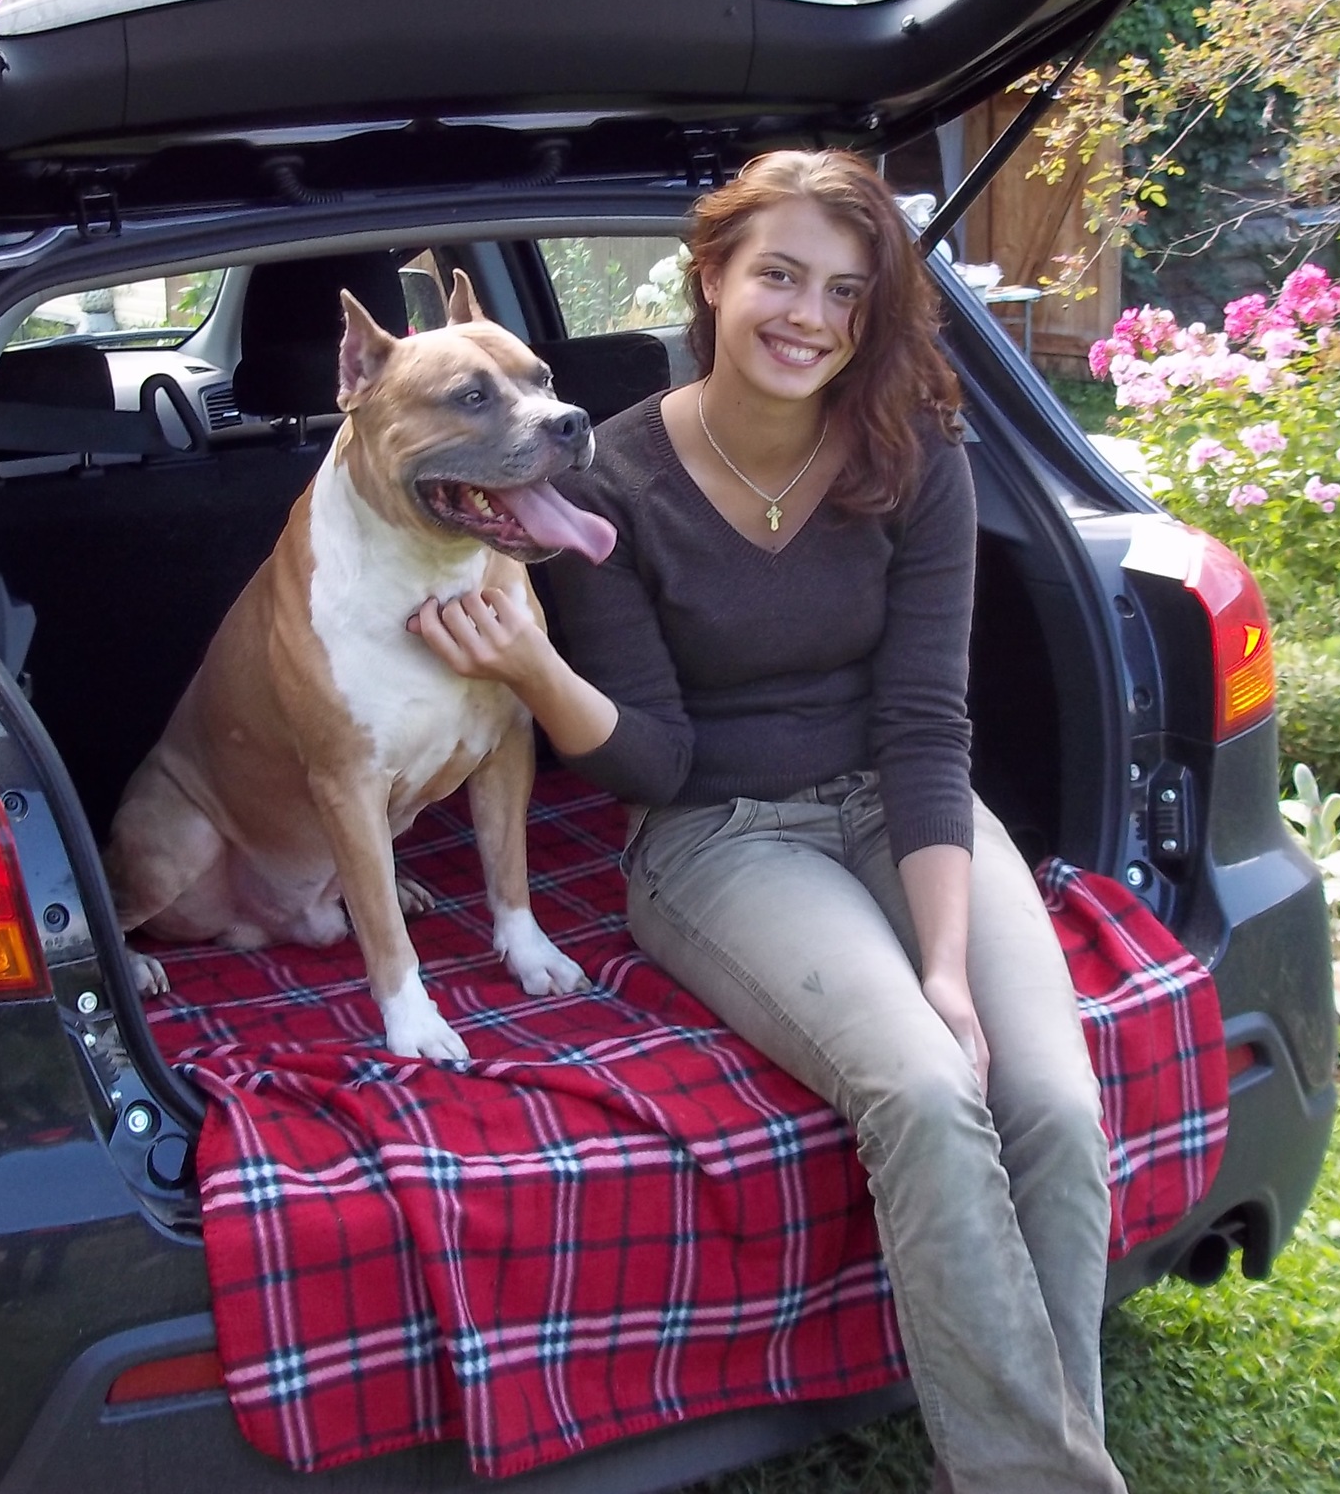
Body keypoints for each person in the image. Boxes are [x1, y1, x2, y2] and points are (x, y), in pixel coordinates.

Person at [407, 150, 1127, 1494]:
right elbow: (656, 761)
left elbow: (927, 722)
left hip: (905, 802)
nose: (810, 316)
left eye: (845, 291)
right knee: (924, 1093)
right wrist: (535, 670)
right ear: (713, 275)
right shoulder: (609, 480)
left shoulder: (915, 458)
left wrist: (947, 967)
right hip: (717, 830)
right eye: (781, 275)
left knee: (1052, 1104)